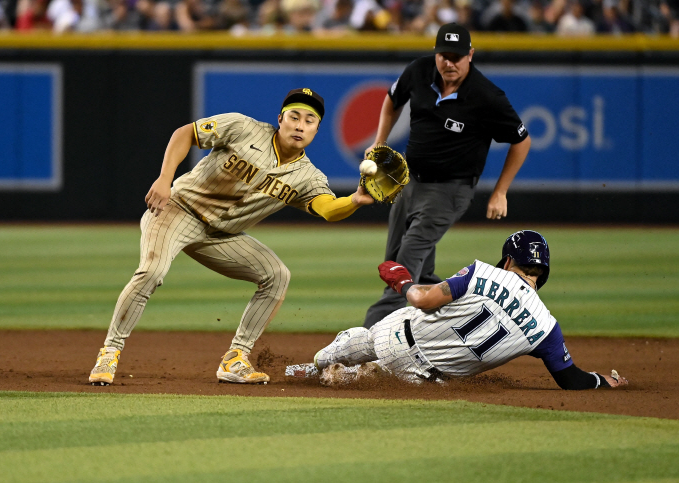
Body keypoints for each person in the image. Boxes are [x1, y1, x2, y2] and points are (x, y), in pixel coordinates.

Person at [89, 88, 374, 386]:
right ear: (281, 119)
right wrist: (164, 179)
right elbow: (185, 133)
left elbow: (327, 209)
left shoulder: (309, 177)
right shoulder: (242, 127)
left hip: (222, 235)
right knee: (152, 271)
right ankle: (110, 351)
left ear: (317, 128)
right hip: (177, 210)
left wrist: (354, 200)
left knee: (277, 275)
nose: (300, 125)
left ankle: (235, 358)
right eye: (294, 117)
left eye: (310, 120)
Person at [362, 22, 531, 329]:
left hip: (449, 191)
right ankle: (450, 326)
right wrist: (379, 141)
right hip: (409, 182)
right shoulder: (419, 71)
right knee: (407, 268)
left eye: (457, 56)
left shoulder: (486, 95)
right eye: (444, 55)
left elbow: (522, 140)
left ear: (470, 55)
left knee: (401, 269)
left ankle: (364, 342)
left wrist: (500, 192)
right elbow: (392, 100)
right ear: (436, 54)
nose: (449, 62)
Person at [311, 230, 628, 390]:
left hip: (393, 335)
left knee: (358, 342)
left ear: (507, 261)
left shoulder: (483, 273)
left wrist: (403, 282)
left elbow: (422, 299)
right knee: (367, 377)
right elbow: (571, 379)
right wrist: (604, 381)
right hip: (421, 378)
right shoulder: (546, 327)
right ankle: (351, 375)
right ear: (543, 273)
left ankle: (312, 367)